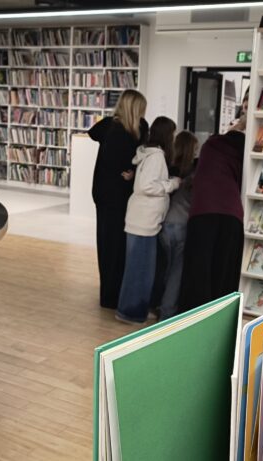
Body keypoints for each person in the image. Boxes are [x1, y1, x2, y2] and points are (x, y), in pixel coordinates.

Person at [178, 113, 247, 312]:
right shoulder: (246, 152)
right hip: (232, 214)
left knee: (197, 274)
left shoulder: (211, 145)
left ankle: (194, 319)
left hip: (203, 212)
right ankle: (221, 318)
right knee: (224, 275)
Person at [115, 116, 180, 324]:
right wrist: (172, 184)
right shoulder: (157, 157)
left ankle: (132, 309)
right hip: (145, 221)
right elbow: (146, 186)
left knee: (136, 268)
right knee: (141, 271)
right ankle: (131, 312)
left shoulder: (146, 154)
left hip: (140, 218)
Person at [89, 89, 148, 309]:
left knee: (108, 244)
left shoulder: (110, 127)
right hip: (116, 197)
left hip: (105, 194)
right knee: (115, 246)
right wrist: (132, 171)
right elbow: (124, 163)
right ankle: (112, 295)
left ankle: (110, 293)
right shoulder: (125, 131)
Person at [157, 130, 199, 320]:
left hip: (165, 223)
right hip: (182, 225)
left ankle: (160, 305)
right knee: (176, 272)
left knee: (166, 268)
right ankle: (167, 314)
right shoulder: (194, 173)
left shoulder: (169, 168)